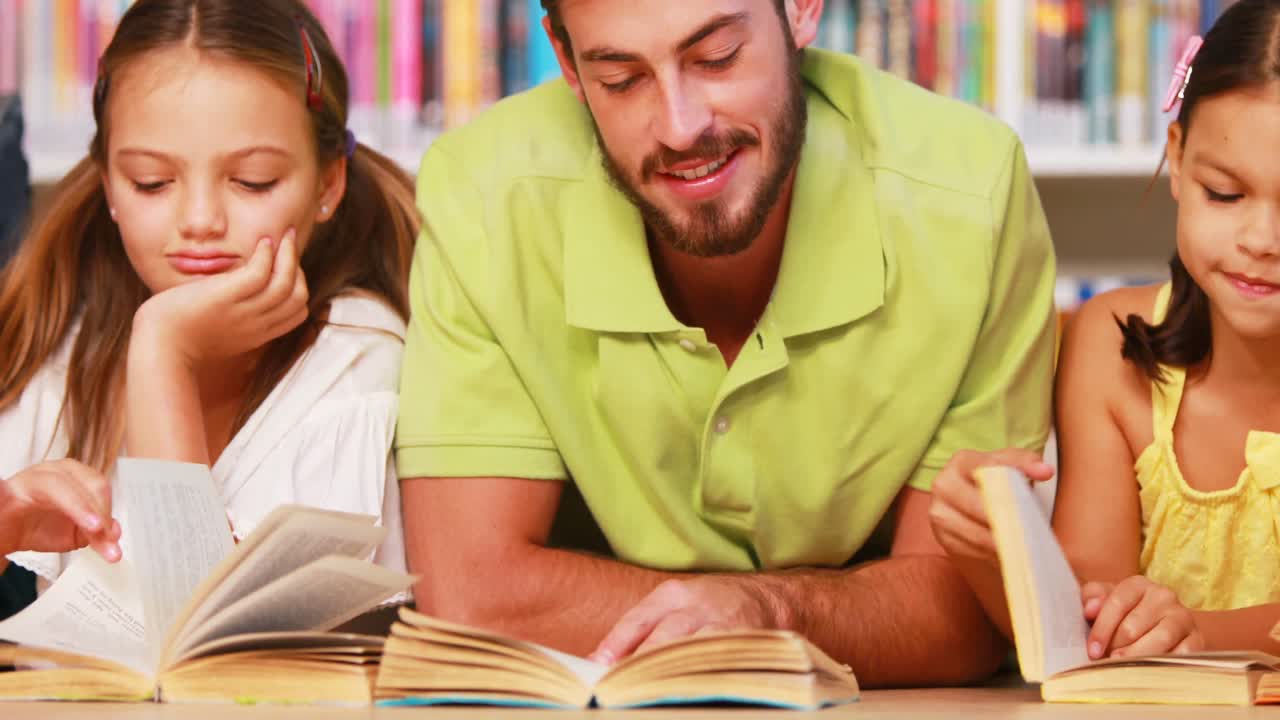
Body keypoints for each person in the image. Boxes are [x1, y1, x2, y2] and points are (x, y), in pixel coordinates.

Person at [397, 0, 1056, 686]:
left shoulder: (973, 194)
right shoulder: (481, 196)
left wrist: (768, 610)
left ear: (801, 11)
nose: (681, 128)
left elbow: (965, 615)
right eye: (622, 79)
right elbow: (473, 598)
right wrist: (805, 615)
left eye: (717, 57)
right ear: (566, 62)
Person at [0, 0, 419, 612]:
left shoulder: (359, 360)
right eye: (151, 182)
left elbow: (198, 647)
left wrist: (164, 353)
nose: (200, 222)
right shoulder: (57, 343)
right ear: (109, 186)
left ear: (328, 185)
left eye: (252, 182)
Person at [930, 0, 1280, 662]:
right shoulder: (1111, 344)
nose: (1261, 240)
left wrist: (1199, 634)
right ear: (1176, 160)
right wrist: (993, 546)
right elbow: (1089, 620)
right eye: (1226, 195)